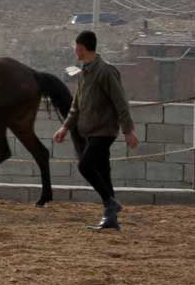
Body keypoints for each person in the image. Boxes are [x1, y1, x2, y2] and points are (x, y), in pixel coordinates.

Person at [54, 30, 139, 231]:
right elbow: (77, 105)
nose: (75, 50)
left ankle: (111, 204)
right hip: (89, 131)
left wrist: (128, 130)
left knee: (85, 166)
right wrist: (65, 127)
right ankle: (111, 219)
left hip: (104, 131)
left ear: (82, 47)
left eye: (76, 47)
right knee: (103, 173)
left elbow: (120, 103)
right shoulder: (85, 71)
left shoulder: (106, 71)